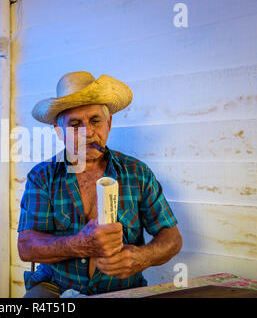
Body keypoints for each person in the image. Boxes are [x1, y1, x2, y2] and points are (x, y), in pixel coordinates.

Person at [17, 71, 183, 298]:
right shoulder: (42, 176)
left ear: (109, 123)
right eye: (75, 124)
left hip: (124, 289)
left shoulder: (138, 173)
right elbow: (26, 247)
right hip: (56, 287)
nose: (89, 133)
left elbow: (172, 237)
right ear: (59, 131)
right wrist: (79, 244)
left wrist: (142, 258)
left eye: (95, 120)